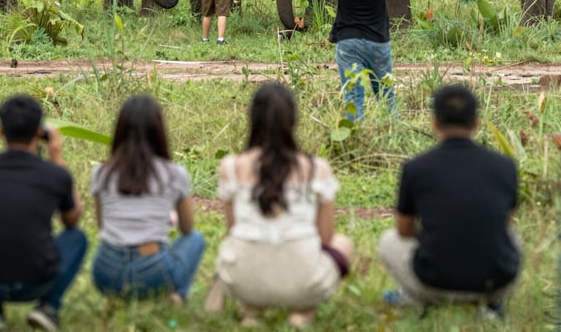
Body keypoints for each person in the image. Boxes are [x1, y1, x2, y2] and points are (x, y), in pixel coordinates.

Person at [208, 83, 353, 328]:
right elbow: (326, 238)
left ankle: (251, 309)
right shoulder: (316, 169)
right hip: (303, 281)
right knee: (343, 243)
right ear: (294, 120)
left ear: (251, 118)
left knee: (235, 245)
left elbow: (232, 230)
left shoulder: (231, 167)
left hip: (245, 280)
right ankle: (303, 311)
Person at [379, 83, 522, 317]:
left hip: (434, 282)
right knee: (514, 238)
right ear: (476, 122)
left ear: (434, 123)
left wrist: (436, 233)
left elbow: (403, 231)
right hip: (494, 282)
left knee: (388, 241)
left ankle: (417, 297)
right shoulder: (506, 167)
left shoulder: (416, 168)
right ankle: (490, 304)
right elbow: (504, 224)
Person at [0, 94, 87, 332]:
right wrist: (57, 157)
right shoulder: (54, 174)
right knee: (78, 238)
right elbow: (72, 219)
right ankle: (48, 308)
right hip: (39, 280)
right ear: (40, 132)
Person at [90, 94, 205, 304]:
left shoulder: (101, 172)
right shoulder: (174, 174)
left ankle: (117, 295)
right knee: (195, 239)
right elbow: (187, 228)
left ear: (120, 130)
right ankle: (176, 296)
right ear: (159, 131)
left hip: (105, 271)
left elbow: (102, 225)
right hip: (152, 268)